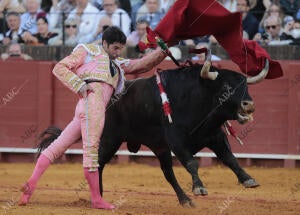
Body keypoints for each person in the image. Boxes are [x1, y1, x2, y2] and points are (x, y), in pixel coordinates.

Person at [18, 26, 167, 209]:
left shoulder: (117, 63)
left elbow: (142, 64)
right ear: (104, 43)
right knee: (91, 153)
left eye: (121, 48)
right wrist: (78, 85)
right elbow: (60, 67)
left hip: (85, 107)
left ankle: (30, 186)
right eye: (115, 48)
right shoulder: (87, 51)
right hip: (93, 106)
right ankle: (96, 199)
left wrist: (163, 51)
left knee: (56, 147)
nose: (118, 52)